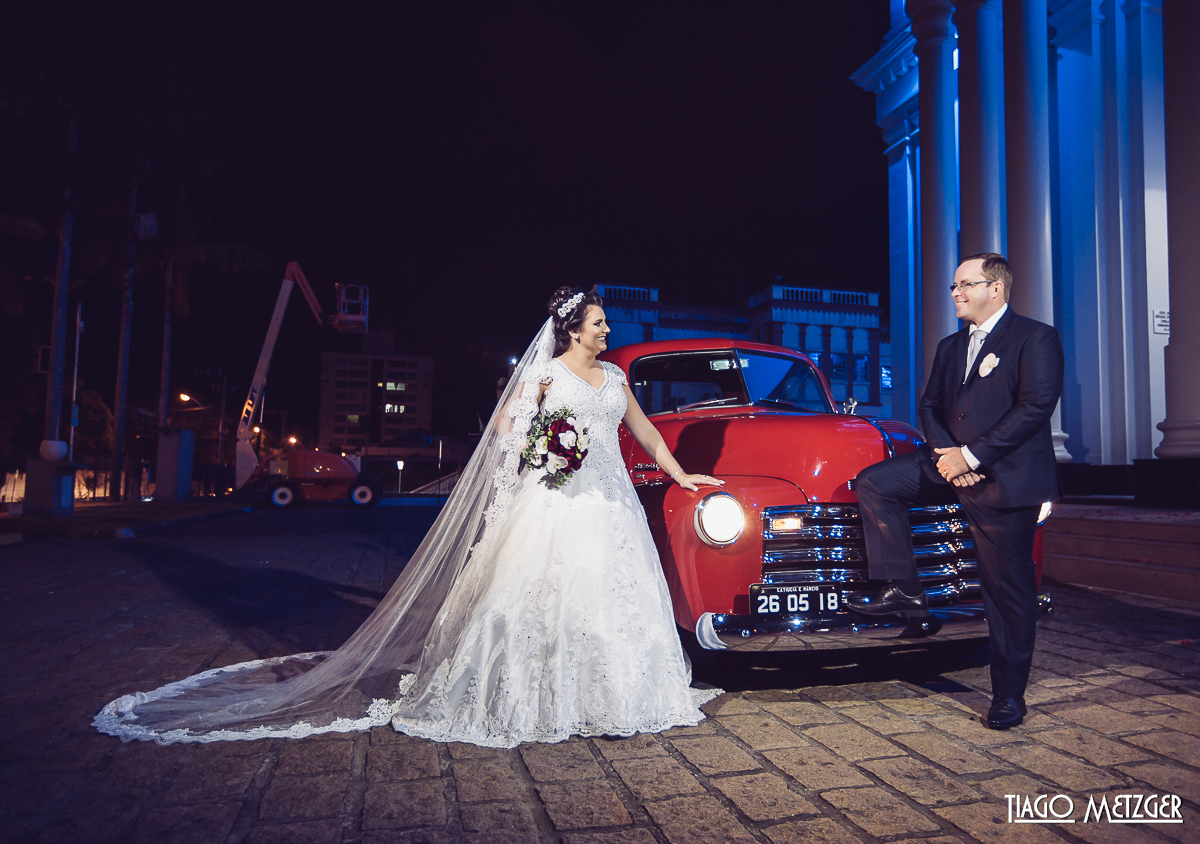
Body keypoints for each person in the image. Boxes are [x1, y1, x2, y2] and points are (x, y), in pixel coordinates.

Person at [95, 286, 723, 748]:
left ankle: (617, 695)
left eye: (606, 321)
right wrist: (543, 450)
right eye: (599, 322)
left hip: (609, 502)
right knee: (541, 594)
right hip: (556, 496)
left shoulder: (614, 377)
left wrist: (680, 474)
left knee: (611, 593)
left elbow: (644, 432)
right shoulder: (545, 376)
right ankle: (536, 695)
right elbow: (504, 429)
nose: (608, 329)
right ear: (573, 330)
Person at [847, 253, 1063, 730]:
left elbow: (1035, 408)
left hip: (1007, 478)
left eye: (966, 284)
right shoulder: (950, 346)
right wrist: (949, 455)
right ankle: (907, 592)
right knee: (875, 483)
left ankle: (1008, 696)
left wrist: (972, 457)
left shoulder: (1035, 337)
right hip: (949, 464)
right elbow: (929, 406)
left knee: (1006, 593)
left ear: (996, 288)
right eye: (953, 286)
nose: (956, 293)